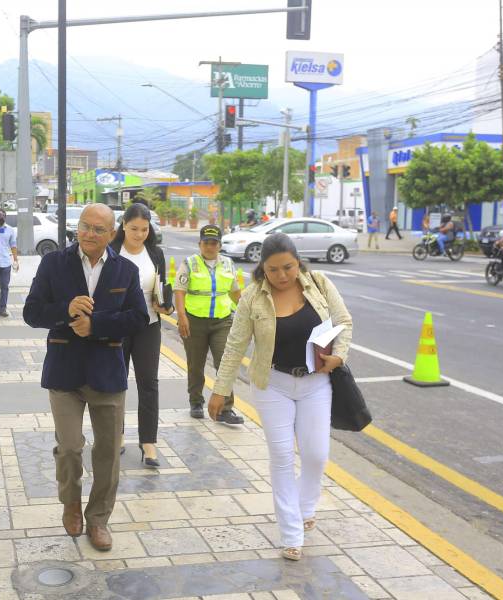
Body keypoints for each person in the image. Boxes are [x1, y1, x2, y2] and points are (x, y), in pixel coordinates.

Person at [208, 233, 352, 562]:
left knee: (316, 455)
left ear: (298, 262)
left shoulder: (319, 283)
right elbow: (235, 344)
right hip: (273, 384)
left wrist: (339, 356)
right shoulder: (252, 297)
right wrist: (220, 390)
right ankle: (291, 533)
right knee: (282, 456)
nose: (282, 275)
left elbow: (343, 321)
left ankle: (305, 508)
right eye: (273, 270)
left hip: (316, 382)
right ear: (263, 269)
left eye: (287, 267)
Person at [23, 203, 148, 552]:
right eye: (84, 227)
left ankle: (98, 520)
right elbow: (31, 313)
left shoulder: (125, 270)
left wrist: (97, 325)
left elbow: (138, 317)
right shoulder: (54, 264)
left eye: (97, 229)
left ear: (112, 234)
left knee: (107, 451)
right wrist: (66, 309)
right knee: (70, 447)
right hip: (64, 372)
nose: (89, 234)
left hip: (107, 373)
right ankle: (71, 503)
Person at [110, 203, 173, 467]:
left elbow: (163, 289)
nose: (139, 234)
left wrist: (165, 306)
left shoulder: (155, 253)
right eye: (134, 228)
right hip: (118, 325)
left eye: (144, 229)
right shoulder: (112, 252)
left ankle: (149, 442)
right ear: (123, 225)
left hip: (149, 324)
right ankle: (118, 435)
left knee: (149, 383)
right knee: (116, 382)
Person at [174, 225, 244, 424]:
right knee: (195, 364)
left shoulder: (228, 264)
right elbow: (179, 290)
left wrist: (248, 312)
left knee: (225, 363)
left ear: (220, 245)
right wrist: (182, 316)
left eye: (214, 243)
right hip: (194, 321)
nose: (210, 246)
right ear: (200, 244)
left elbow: (235, 292)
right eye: (206, 243)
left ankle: (225, 408)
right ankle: (196, 401)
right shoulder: (189, 263)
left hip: (222, 321)